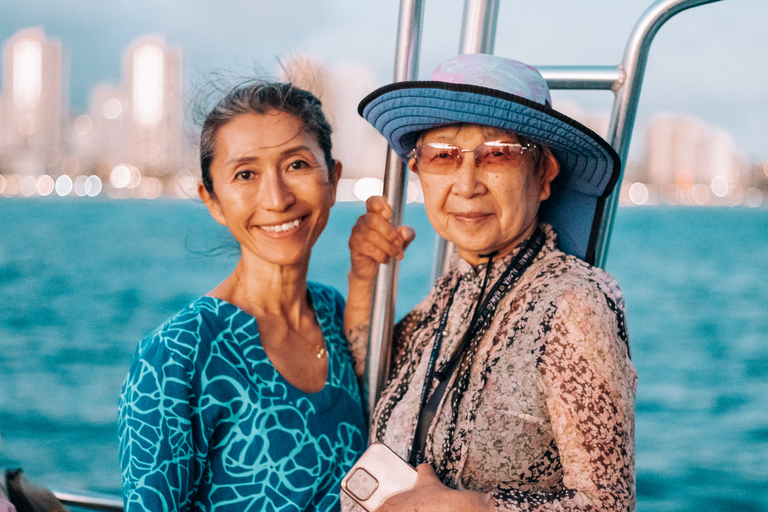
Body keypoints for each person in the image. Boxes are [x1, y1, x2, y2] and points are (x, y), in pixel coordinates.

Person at [344, 54, 637, 511]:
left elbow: (608, 504)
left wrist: (474, 507)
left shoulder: (572, 302)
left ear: (543, 175)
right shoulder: (449, 296)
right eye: (443, 156)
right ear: (419, 172)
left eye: (497, 153)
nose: (466, 184)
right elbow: (367, 380)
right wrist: (363, 276)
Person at [118, 80, 367, 512]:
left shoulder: (333, 312)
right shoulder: (178, 356)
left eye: (296, 165)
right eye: (245, 174)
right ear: (212, 202)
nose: (277, 198)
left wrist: (364, 279)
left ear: (333, 179)